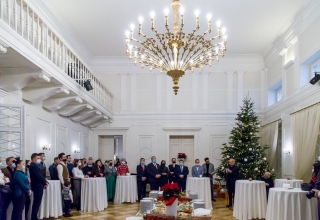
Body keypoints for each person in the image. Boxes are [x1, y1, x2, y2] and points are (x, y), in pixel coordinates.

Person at [29, 153, 48, 220]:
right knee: (36, 203)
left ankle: (34, 217)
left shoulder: (36, 166)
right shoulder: (34, 166)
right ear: (34, 158)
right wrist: (45, 182)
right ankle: (34, 218)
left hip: (38, 185)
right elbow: (39, 176)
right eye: (38, 158)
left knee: (37, 203)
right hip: (37, 186)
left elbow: (41, 175)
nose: (39, 159)